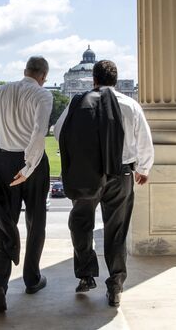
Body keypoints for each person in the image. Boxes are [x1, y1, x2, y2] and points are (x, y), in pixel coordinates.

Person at [54, 60, 154, 307]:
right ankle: (116, 283)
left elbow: (58, 131)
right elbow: (144, 141)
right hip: (122, 175)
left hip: (86, 173)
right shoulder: (130, 104)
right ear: (116, 81)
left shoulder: (79, 103)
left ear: (94, 80)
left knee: (80, 225)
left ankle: (87, 275)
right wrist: (143, 169)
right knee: (116, 231)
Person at [0, 56, 53, 312]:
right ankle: (31, 279)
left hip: (4, 161)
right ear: (43, 76)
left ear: (25, 71)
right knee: (36, 220)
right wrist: (28, 168)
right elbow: (38, 134)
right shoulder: (43, 96)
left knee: (4, 222)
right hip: (31, 163)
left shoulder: (3, 90)